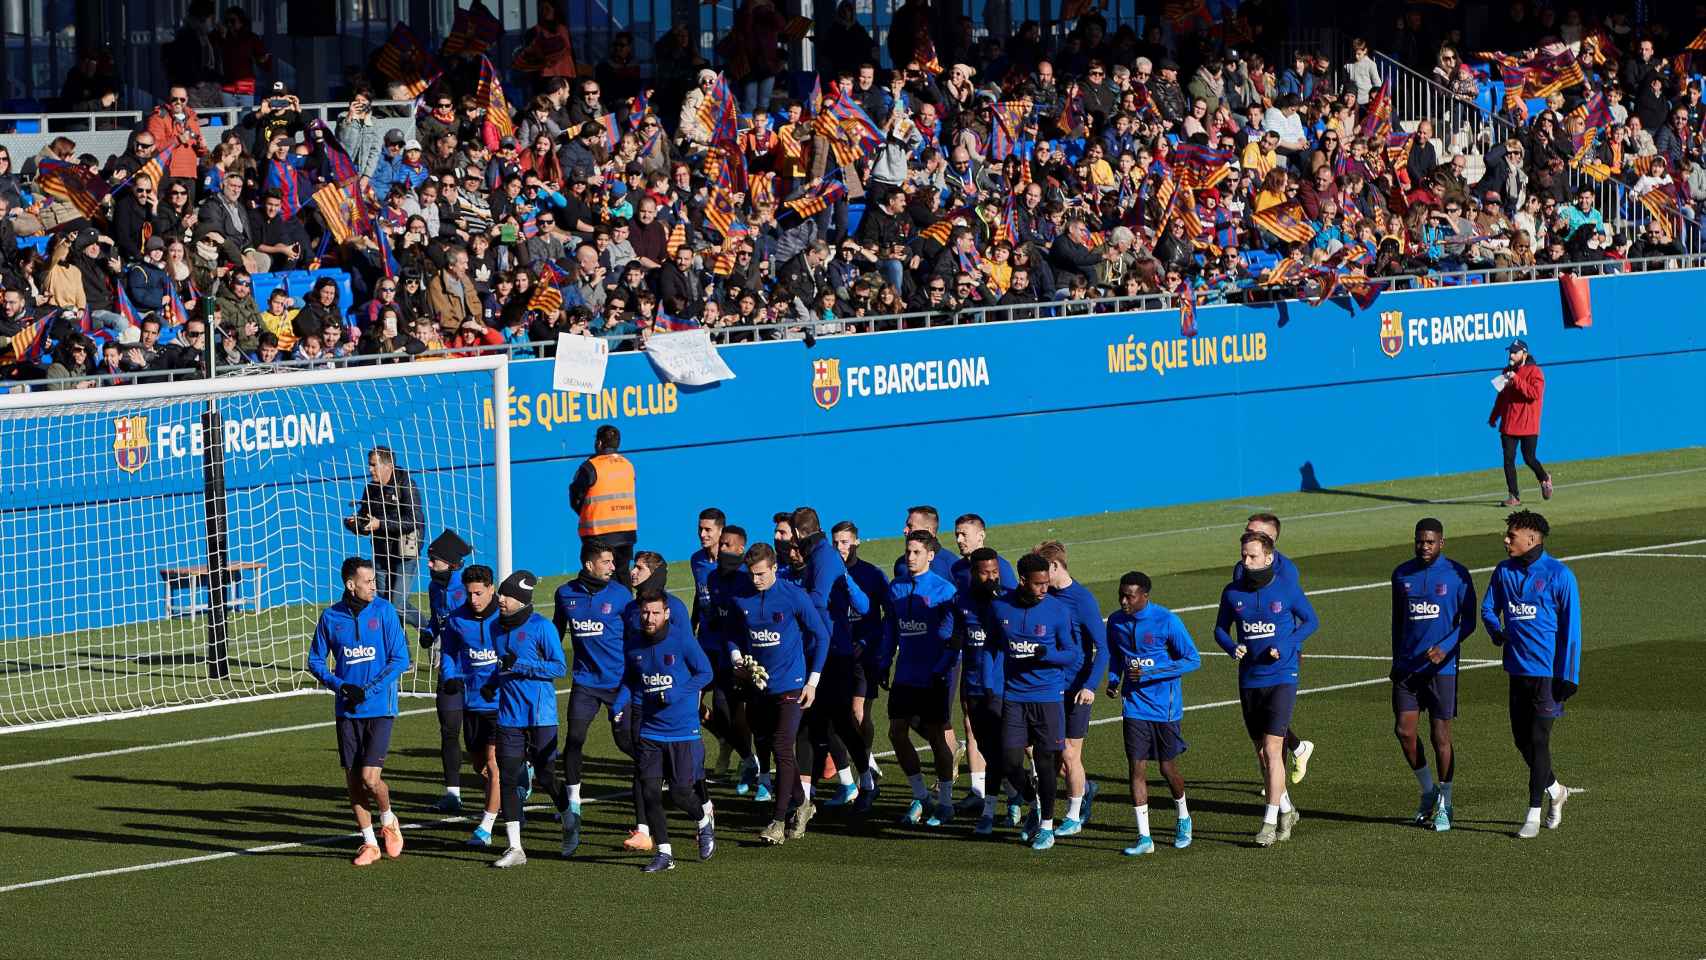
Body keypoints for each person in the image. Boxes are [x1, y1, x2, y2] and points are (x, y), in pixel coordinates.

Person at [1215, 530, 1318, 847]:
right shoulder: (1233, 593)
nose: (1246, 561)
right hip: (1249, 680)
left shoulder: (1286, 589)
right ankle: (1287, 810)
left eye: (1253, 556)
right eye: (1244, 555)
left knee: (1274, 751)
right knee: (1261, 755)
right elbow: (1220, 629)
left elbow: (1311, 621)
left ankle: (1268, 823)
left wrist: (1285, 645)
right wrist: (1232, 647)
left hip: (1282, 677)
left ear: (1269, 557)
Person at [1481, 510, 1580, 839]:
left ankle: (1533, 814)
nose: (1506, 539)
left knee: (1539, 740)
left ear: (1533, 538)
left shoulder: (1559, 575)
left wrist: (1569, 675)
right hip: (1516, 671)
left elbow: (1571, 630)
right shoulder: (1504, 572)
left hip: (1547, 676)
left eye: (1512, 535)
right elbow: (1487, 608)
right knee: (1522, 742)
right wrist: (1496, 631)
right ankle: (1557, 790)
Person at [305, 557, 410, 867]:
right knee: (353, 780)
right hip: (347, 711)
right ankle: (369, 843)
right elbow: (315, 661)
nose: (374, 586)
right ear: (351, 585)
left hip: (379, 708)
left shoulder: (385, 611)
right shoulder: (331, 617)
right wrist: (340, 686)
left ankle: (389, 819)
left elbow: (400, 659)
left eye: (374, 581)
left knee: (369, 778)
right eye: (368, 582)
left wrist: (369, 689)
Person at [724, 542, 830, 845]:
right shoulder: (741, 597)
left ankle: (778, 821)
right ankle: (804, 804)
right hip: (759, 688)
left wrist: (812, 682)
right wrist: (737, 661)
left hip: (792, 685)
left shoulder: (793, 596)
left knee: (784, 748)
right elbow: (732, 634)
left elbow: (821, 636)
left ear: (773, 568)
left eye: (761, 574)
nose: (756, 580)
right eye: (751, 574)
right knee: (772, 745)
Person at [984, 552, 1077, 851]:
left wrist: (1047, 655)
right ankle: (1031, 799)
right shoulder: (1000, 608)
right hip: (1014, 697)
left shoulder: (1058, 611)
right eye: (1038, 584)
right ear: (1023, 581)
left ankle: (1047, 826)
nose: (1044, 589)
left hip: (1048, 698)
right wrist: (990, 683)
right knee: (1010, 761)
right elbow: (991, 646)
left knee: (1046, 761)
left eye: (1047, 583)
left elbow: (1072, 654)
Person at [1389, 518, 1477, 831]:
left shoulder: (1457, 574)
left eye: (1430, 542)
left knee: (1441, 737)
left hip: (1443, 669)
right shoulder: (1401, 574)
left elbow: (1468, 622)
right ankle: (1428, 792)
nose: (1424, 547)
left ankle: (1447, 803)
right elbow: (1398, 622)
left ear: (1442, 542)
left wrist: (1445, 648)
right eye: (1420, 541)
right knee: (1404, 732)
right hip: (1407, 668)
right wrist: (1396, 658)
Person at [1104, 571, 1200, 855]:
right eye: (1121, 594)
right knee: (1136, 767)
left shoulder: (1167, 620)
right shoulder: (1116, 622)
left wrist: (1150, 671)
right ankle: (1144, 837)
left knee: (1167, 768)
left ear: (1145, 596)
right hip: (1134, 705)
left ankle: (1183, 816)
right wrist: (1113, 680)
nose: (1123, 601)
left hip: (1165, 708)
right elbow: (1115, 656)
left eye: (1129, 596)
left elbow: (1192, 659)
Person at [551, 539, 636, 855]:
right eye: (607, 562)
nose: (613, 568)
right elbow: (556, 633)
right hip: (585, 682)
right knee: (574, 738)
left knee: (626, 742)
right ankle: (573, 802)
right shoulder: (565, 594)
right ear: (589, 564)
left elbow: (633, 638)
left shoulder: (621, 595)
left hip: (618, 682)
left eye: (613, 562)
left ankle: (661, 774)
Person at [623, 588, 717, 873]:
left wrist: (678, 694)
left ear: (666, 613)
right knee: (650, 792)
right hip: (651, 730)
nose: (649, 618)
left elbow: (706, 673)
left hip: (683, 732)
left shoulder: (682, 640)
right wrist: (619, 706)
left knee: (679, 793)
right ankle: (664, 853)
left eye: (654, 612)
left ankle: (703, 820)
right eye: (645, 613)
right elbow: (631, 680)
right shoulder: (634, 644)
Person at [487, 570, 572, 868]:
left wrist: (520, 663)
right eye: (500, 593)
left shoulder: (542, 628)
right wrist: (491, 682)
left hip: (540, 717)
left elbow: (559, 668)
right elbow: (502, 666)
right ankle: (515, 848)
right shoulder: (495, 628)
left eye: (506, 595)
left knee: (546, 776)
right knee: (508, 778)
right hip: (509, 717)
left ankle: (568, 819)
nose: (500, 599)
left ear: (521, 601)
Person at [789, 506, 872, 810]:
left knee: (839, 724)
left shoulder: (823, 557)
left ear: (798, 534)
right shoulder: (821, 556)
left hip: (834, 654)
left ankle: (865, 782)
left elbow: (817, 601)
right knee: (812, 725)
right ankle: (808, 797)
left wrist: (786, 599)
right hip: (822, 651)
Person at [879, 530, 961, 826]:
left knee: (938, 737)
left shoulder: (944, 591)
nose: (910, 557)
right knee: (896, 732)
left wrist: (943, 667)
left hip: (933, 675)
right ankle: (921, 796)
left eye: (916, 552)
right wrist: (884, 661)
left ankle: (946, 802)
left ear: (930, 555)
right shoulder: (895, 588)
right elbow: (890, 629)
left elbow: (954, 638)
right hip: (905, 674)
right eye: (908, 551)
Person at [1034, 540, 1107, 837]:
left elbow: (1103, 648)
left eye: (1042, 571)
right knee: (1045, 752)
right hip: (1048, 687)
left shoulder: (1082, 599)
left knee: (1068, 754)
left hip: (1077, 688)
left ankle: (1074, 815)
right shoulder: (1044, 596)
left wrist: (1090, 685)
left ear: (1054, 566)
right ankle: (1085, 788)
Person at [1237, 513, 1315, 782]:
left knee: (1273, 726)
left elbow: (1296, 614)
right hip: (1253, 657)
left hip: (1283, 653)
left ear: (1270, 540)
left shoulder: (1287, 570)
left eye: (1253, 532)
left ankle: (1278, 793)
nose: (1247, 536)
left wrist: (1291, 648)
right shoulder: (1242, 566)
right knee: (1263, 723)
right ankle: (1297, 749)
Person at [952, 548, 1018, 835]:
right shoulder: (962, 601)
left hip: (1004, 689)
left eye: (995, 572)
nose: (992, 578)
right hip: (974, 688)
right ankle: (1015, 799)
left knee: (1012, 753)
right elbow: (957, 638)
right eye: (985, 573)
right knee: (991, 752)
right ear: (973, 573)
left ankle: (1011, 805)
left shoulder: (1006, 602)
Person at [440, 564, 504, 846]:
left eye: (479, 593)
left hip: (501, 703)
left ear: (491, 589)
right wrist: (450, 676)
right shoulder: (456, 620)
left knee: (493, 764)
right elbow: (449, 653)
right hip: (472, 703)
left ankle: (485, 827)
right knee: (480, 765)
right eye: (469, 594)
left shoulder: (505, 618)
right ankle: (514, 785)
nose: (474, 599)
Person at [701, 523, 763, 798]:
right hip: (724, 656)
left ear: (741, 548)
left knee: (749, 718)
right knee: (725, 713)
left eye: (727, 544)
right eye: (721, 543)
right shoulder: (713, 579)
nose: (721, 547)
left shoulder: (748, 579)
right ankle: (749, 761)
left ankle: (761, 773)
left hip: (751, 660)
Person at [833, 519, 889, 804]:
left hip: (865, 655)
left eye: (845, 542)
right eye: (836, 542)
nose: (840, 547)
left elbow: (884, 616)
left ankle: (864, 767)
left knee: (858, 712)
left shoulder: (871, 574)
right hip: (839, 654)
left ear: (856, 542)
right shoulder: (829, 574)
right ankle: (867, 766)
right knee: (844, 714)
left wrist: (867, 643)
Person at [344, 446, 426, 630]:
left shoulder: (406, 484)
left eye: (374, 465)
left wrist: (380, 524)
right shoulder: (370, 489)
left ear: (388, 465)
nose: (370, 469)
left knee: (396, 605)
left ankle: (429, 630)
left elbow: (413, 519)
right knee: (383, 606)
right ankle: (403, 656)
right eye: (369, 465)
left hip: (405, 554)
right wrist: (354, 523)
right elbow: (366, 519)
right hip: (381, 554)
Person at [420, 530, 473, 813]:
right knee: (449, 731)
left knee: (479, 742)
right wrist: (429, 632)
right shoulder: (434, 588)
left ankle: (520, 770)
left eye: (434, 560)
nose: (428, 565)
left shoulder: (468, 590)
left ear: (452, 564)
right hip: (449, 670)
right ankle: (453, 794)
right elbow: (438, 620)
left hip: (477, 673)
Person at [569, 424, 638, 583]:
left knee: (599, 578)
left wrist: (586, 512)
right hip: (627, 532)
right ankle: (626, 606)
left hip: (598, 533)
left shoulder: (590, 466)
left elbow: (575, 496)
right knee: (622, 574)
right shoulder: (628, 465)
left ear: (599, 443)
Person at [1490, 338, 1552, 507]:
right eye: (1510, 351)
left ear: (1524, 354)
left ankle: (1544, 478)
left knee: (1529, 458)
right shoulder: (1507, 371)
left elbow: (1533, 394)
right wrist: (1494, 416)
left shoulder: (1535, 372)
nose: (1511, 355)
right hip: (1509, 424)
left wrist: (1516, 379)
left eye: (1514, 352)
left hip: (1528, 424)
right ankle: (1513, 496)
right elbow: (1502, 397)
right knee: (1508, 460)